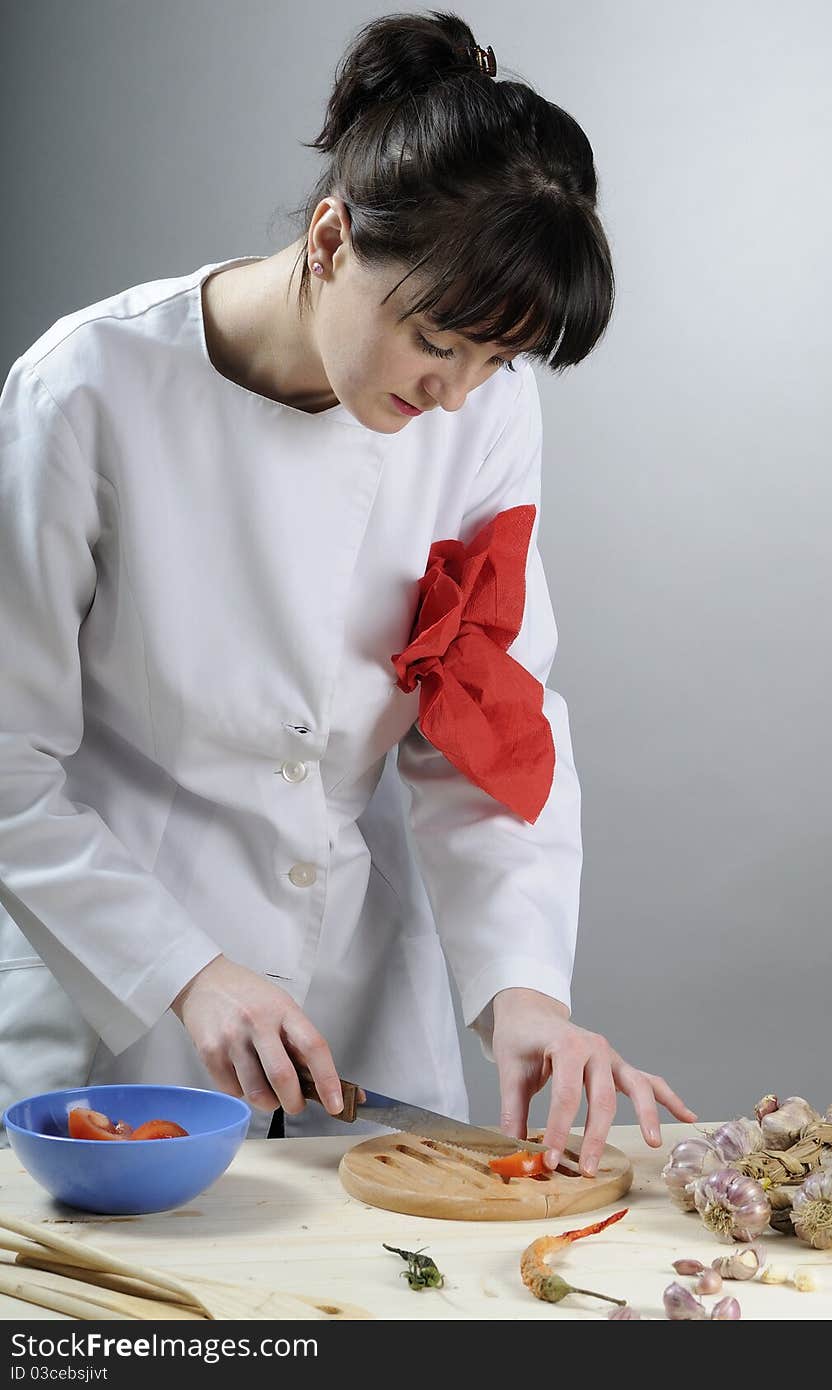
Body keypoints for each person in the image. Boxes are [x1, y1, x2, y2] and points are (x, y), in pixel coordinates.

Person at [0, 10, 696, 1170]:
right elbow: (5, 754)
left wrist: (521, 992)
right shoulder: (88, 390)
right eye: (438, 340)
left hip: (353, 988)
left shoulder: (481, 415)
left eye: (497, 360)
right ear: (330, 239)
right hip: (120, 1000)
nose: (459, 393)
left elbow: (482, 712)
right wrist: (186, 971)